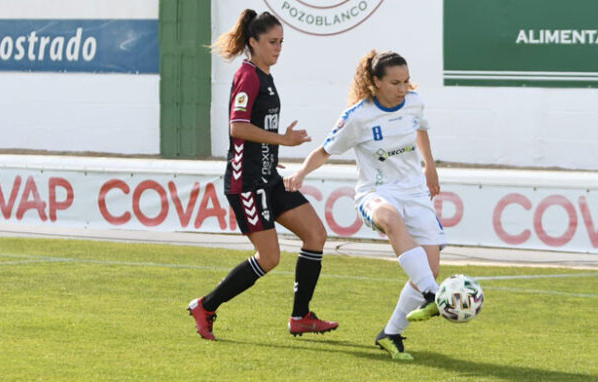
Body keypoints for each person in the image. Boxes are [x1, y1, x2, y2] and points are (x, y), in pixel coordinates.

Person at [187, 9, 338, 341]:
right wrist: (282, 139)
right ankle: (206, 306)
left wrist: (273, 154)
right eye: (272, 42)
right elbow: (238, 127)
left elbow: (256, 129)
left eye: (282, 42)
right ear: (252, 42)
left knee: (315, 234)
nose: (278, 48)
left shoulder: (264, 76)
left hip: (268, 177)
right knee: (269, 257)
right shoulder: (249, 76)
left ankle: (300, 317)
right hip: (247, 184)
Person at [284, 50, 445, 360]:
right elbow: (324, 150)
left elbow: (421, 126)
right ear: (376, 82)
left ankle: (391, 333)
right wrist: (301, 172)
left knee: (429, 268)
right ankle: (434, 295)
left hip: (415, 192)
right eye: (395, 82)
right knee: (390, 217)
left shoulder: (414, 101)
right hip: (376, 191)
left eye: (406, 81)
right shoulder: (358, 116)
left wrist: (430, 166)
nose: (402, 88)